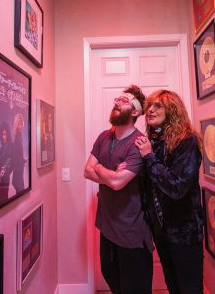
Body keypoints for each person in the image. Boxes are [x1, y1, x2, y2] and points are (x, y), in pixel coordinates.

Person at [84, 85, 153, 294]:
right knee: (111, 277)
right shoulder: (104, 136)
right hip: (107, 226)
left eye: (124, 101)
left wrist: (100, 169)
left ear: (135, 111)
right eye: (117, 99)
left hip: (132, 231)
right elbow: (87, 171)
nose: (116, 102)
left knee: (135, 288)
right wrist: (111, 173)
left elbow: (116, 183)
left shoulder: (139, 143)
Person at [135, 89, 204, 294]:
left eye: (158, 106)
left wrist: (148, 158)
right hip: (161, 231)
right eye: (149, 106)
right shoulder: (153, 142)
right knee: (173, 286)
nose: (150, 110)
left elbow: (176, 186)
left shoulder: (187, 141)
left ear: (172, 111)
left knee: (189, 289)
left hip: (184, 233)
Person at [11, 113, 27, 194]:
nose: (22, 126)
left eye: (22, 124)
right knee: (20, 190)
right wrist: (23, 160)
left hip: (18, 171)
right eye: (20, 124)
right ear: (17, 124)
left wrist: (24, 160)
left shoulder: (18, 136)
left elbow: (18, 155)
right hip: (18, 172)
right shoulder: (17, 137)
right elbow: (17, 156)